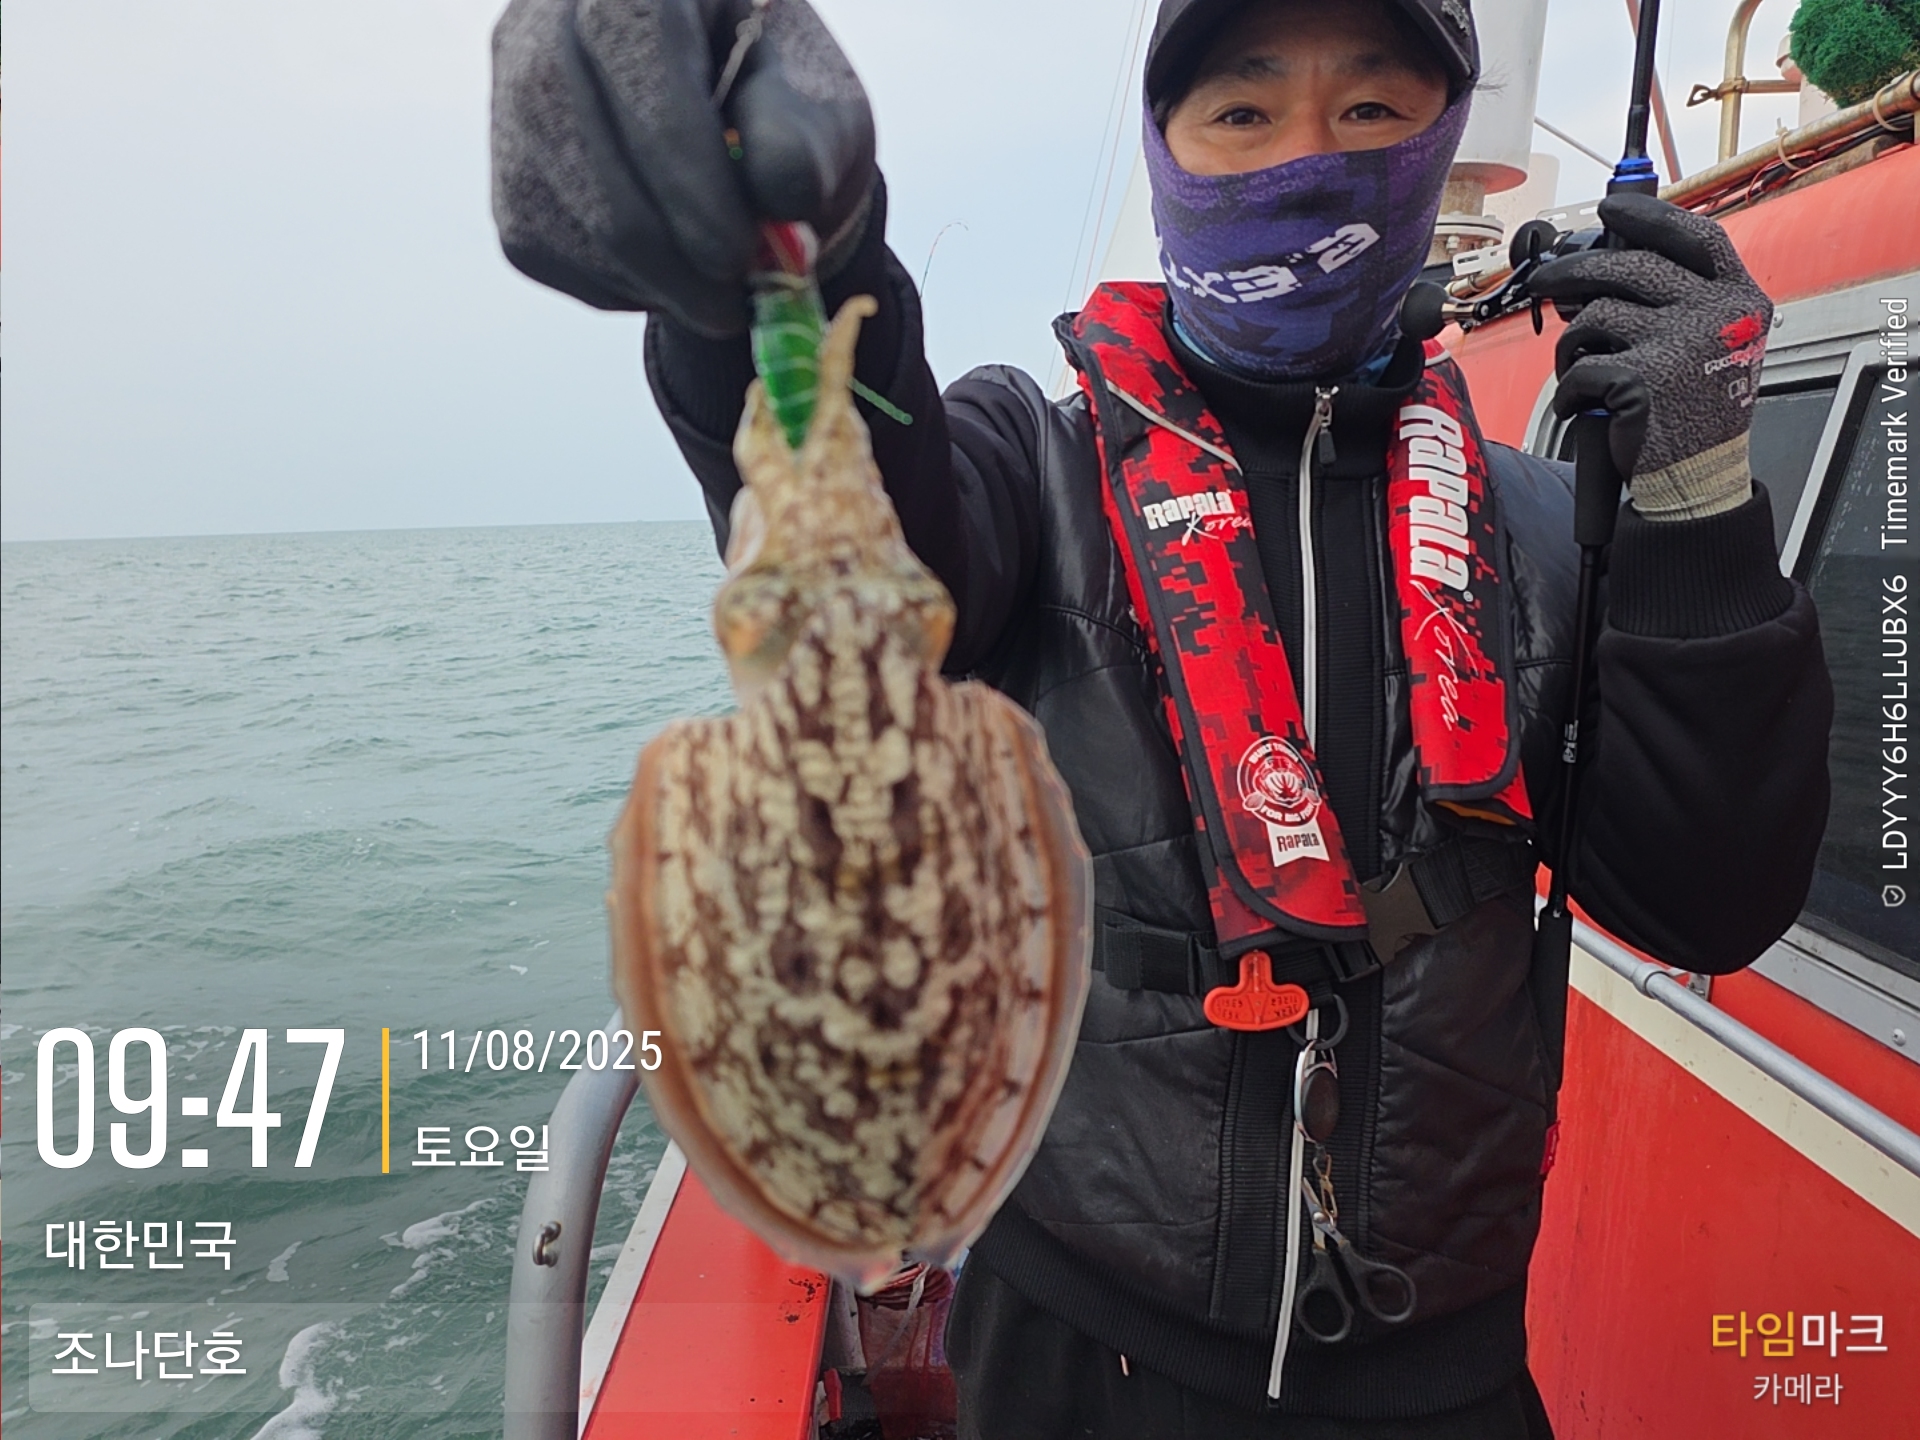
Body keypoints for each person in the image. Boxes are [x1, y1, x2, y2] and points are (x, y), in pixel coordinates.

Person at [491, 1, 1832, 1434]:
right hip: (1076, 1346)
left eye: (1370, 111)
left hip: (1445, 1370)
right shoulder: (1027, 466)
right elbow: (859, 529)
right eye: (1244, 113)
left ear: (1441, 145)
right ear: (1166, 150)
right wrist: (781, 260)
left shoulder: (1548, 527)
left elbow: (1709, 903)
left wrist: (1699, 501)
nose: (1306, 160)